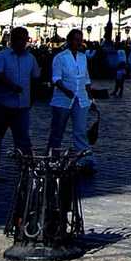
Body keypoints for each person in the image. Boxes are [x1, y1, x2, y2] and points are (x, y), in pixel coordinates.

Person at [0, 26, 37, 182]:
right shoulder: (2, 56)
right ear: (12, 40)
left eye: (24, 39)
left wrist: (32, 98)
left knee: (23, 140)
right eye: (19, 39)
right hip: (2, 103)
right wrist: (12, 86)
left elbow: (35, 78)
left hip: (22, 105)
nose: (22, 42)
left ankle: (27, 171)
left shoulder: (30, 58)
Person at [47, 28, 94, 167]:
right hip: (63, 99)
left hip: (81, 98)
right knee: (57, 131)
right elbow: (56, 78)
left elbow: (86, 77)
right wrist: (65, 90)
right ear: (69, 40)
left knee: (80, 131)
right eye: (76, 39)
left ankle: (85, 159)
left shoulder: (82, 57)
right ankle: (52, 158)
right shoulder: (60, 58)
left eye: (80, 40)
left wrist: (91, 97)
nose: (78, 42)